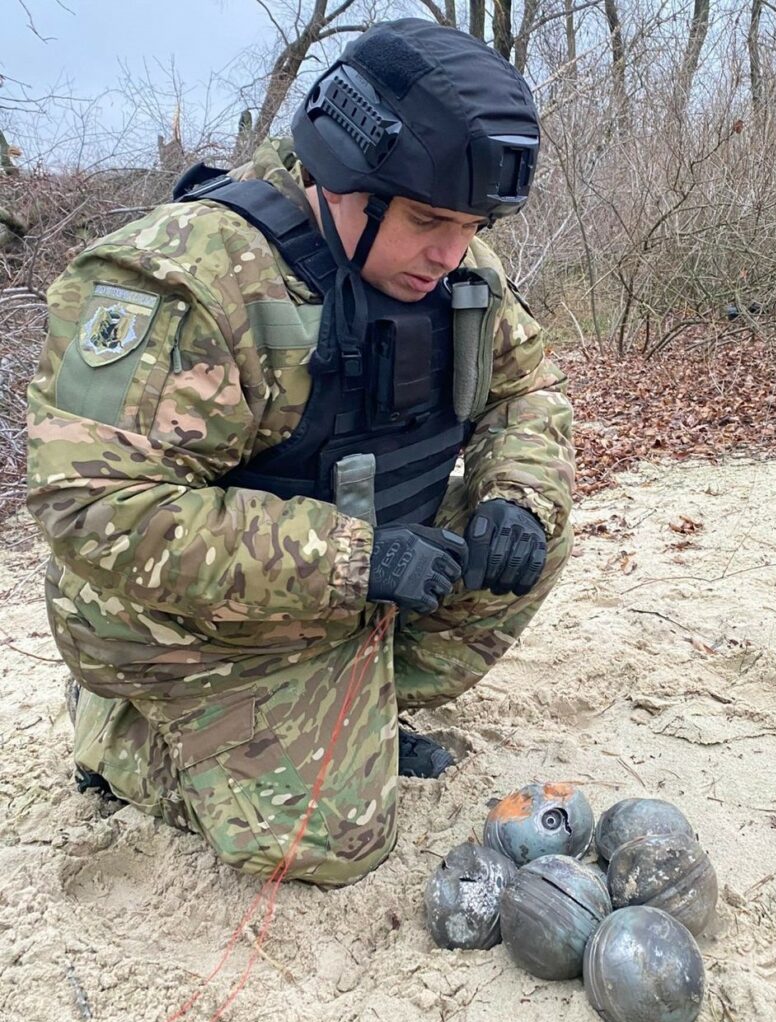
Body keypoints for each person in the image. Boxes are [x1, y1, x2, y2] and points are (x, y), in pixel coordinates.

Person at [25, 19, 574, 886]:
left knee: (529, 540)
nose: (449, 251)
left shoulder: (456, 271)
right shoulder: (184, 279)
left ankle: (348, 707)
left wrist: (516, 494)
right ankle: (121, 730)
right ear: (341, 179)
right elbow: (92, 506)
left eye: (470, 224)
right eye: (429, 219)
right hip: (180, 624)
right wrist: (353, 558)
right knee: (331, 845)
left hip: (341, 589)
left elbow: (527, 389)